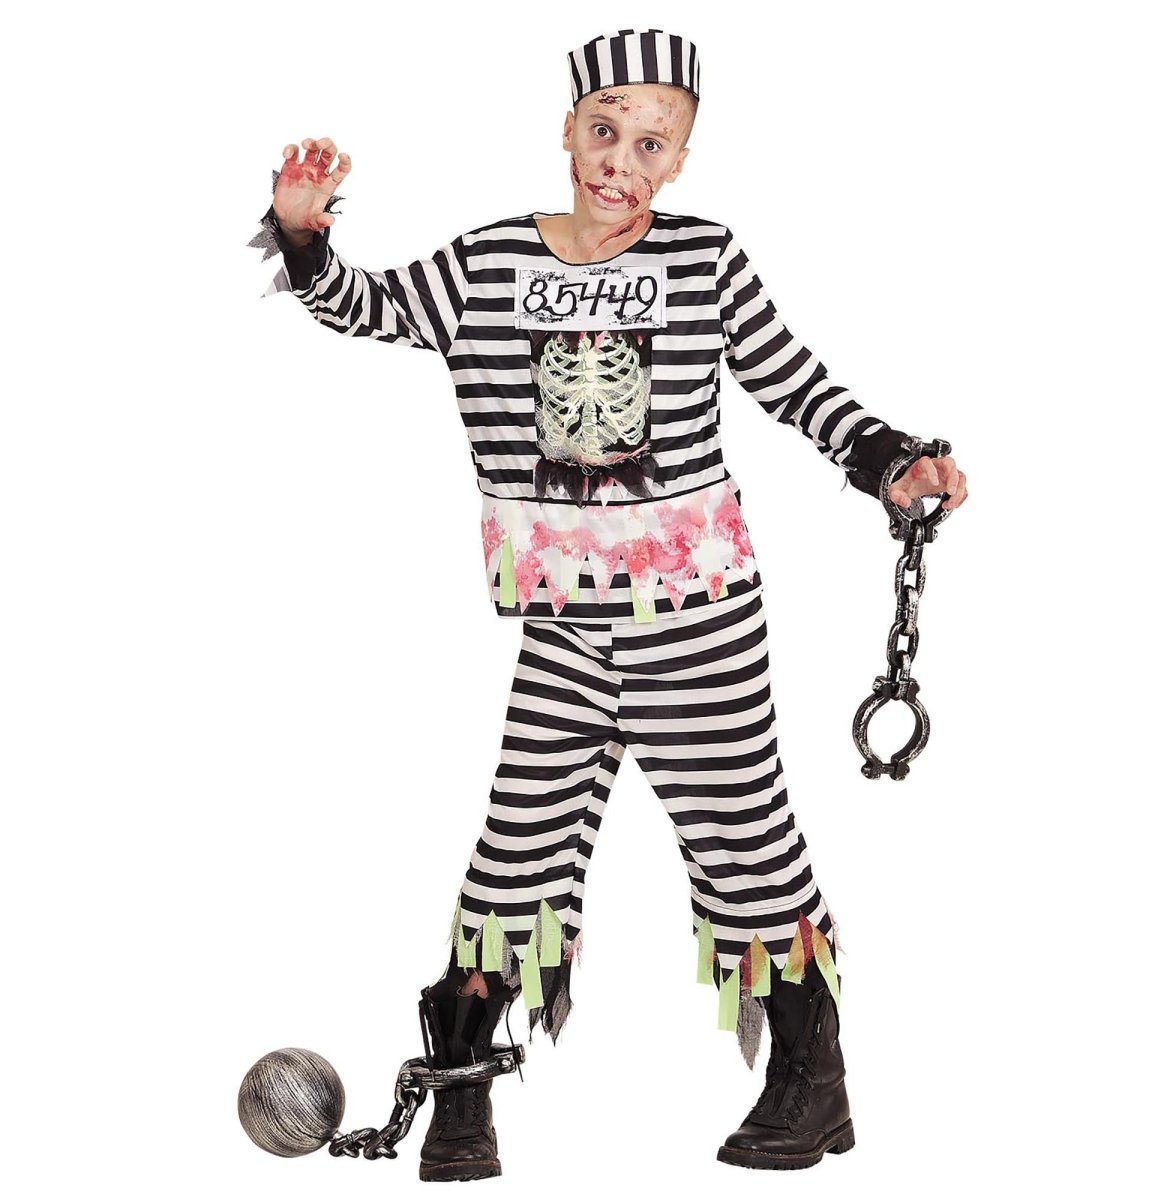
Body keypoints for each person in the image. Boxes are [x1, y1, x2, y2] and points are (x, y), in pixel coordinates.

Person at [247, 27, 967, 1180]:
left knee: (744, 846)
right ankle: (463, 1097)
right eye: (605, 131)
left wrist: (888, 458)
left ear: (681, 159)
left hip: (698, 619)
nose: (622, 163)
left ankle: (812, 1081)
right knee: (514, 856)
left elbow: (793, 381)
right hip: (564, 625)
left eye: (651, 143)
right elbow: (365, 305)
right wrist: (302, 231)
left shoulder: (703, 260)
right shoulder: (487, 265)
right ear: (567, 130)